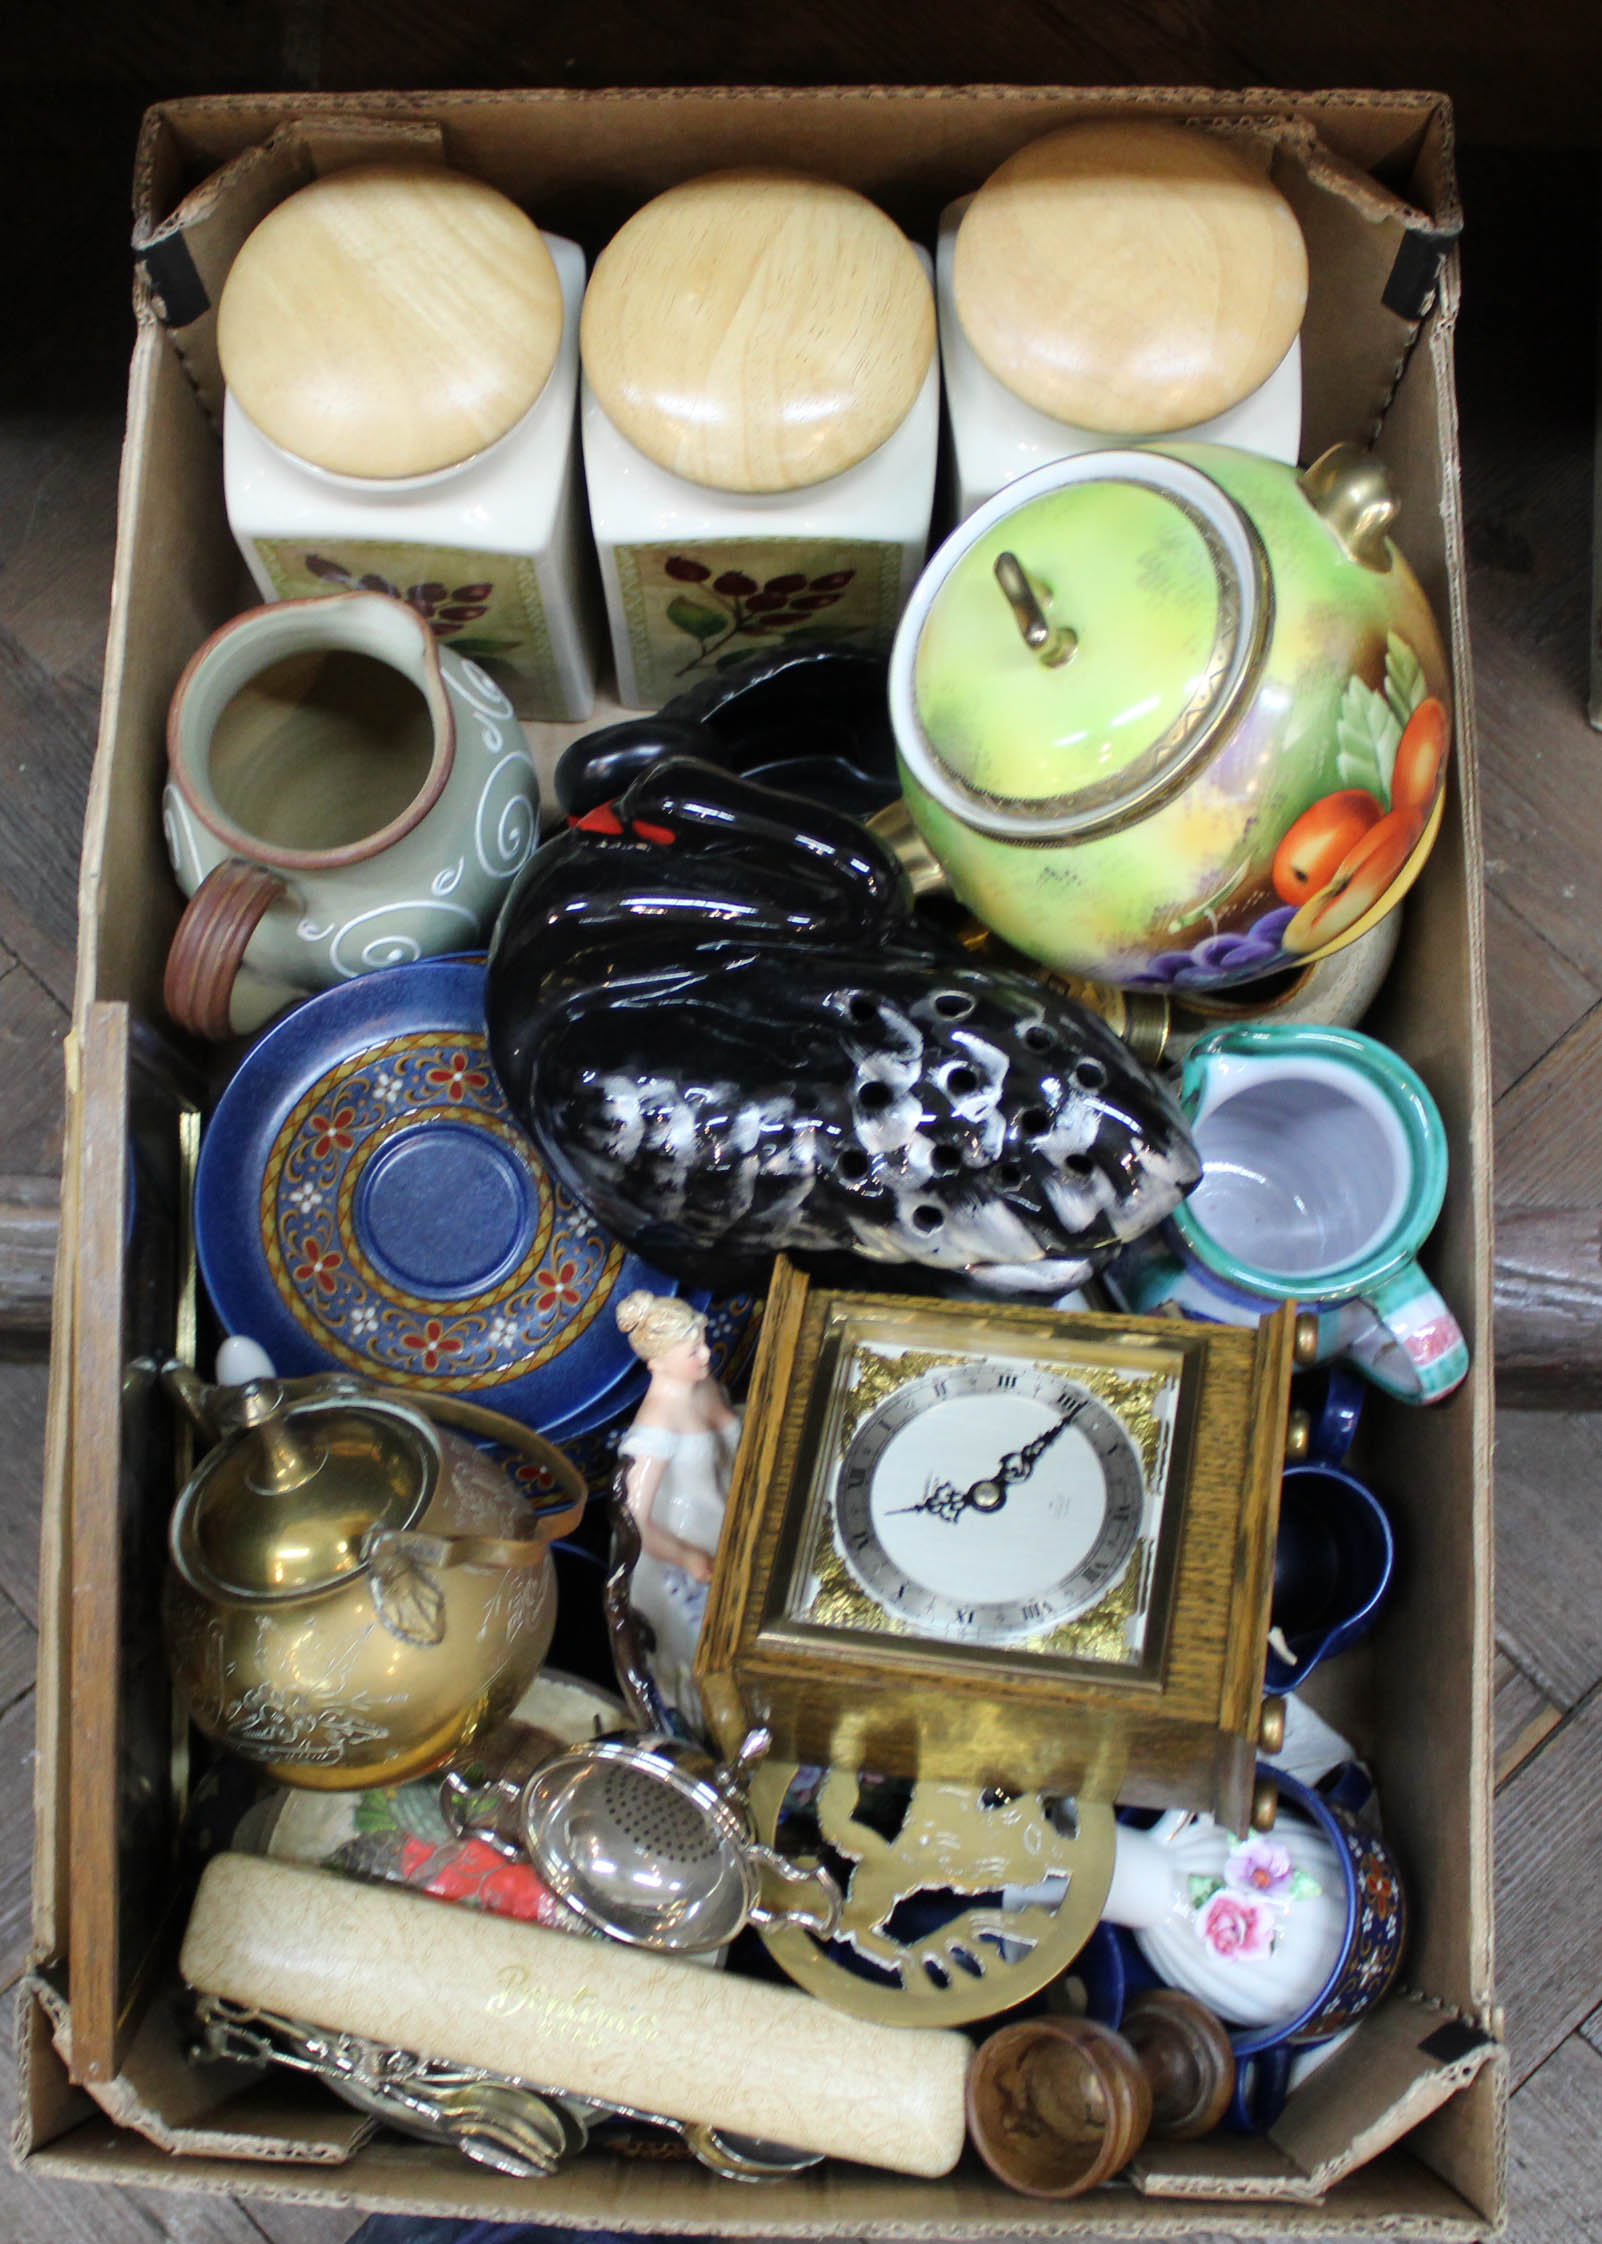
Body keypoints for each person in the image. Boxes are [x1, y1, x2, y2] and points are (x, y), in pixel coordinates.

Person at [613, 1291, 741, 1722]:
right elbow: (634, 1520)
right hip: (692, 1538)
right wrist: (686, 1555)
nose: (706, 1353)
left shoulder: (701, 1383)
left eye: (703, 1341)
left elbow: (730, 1426)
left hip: (731, 1502)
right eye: (693, 1350)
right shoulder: (654, 1429)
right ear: (658, 1363)